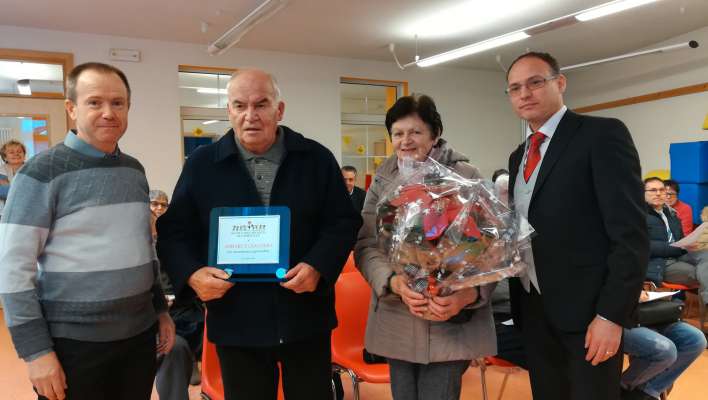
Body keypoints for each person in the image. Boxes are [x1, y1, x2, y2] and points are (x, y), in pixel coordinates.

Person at [156, 69, 362, 400]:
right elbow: (173, 232)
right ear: (229, 111)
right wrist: (193, 275)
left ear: (279, 110)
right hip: (236, 319)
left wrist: (318, 266)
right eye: (239, 105)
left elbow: (343, 222)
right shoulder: (202, 164)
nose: (250, 116)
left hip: (305, 316)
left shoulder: (315, 159)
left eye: (261, 104)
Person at [0, 62, 175, 400]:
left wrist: (160, 311)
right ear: (71, 108)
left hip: (138, 338)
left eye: (118, 103)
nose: (108, 112)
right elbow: (13, 270)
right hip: (73, 345)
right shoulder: (40, 174)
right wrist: (36, 352)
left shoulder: (134, 171)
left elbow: (141, 250)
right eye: (95, 102)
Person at [505, 52, 648, 400]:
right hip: (534, 308)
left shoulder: (601, 135)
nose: (525, 93)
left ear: (560, 83)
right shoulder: (518, 155)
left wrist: (611, 316)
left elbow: (629, 235)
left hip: (589, 313)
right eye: (514, 88)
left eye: (535, 82)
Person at [354, 94, 496, 400]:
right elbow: (366, 244)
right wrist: (391, 282)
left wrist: (468, 294)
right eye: (398, 133)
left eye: (415, 132)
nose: (406, 140)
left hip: (447, 315)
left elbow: (492, 249)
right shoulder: (382, 179)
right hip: (397, 311)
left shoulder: (467, 176)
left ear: (434, 135)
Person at [150, 189, 205, 400]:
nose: (159, 209)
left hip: (183, 306)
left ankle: (190, 358)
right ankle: (187, 358)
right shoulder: (139, 247)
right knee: (173, 344)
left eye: (164, 205)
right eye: (155, 204)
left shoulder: (179, 243)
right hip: (152, 313)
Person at [621, 290, 706, 400]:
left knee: (696, 340)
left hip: (647, 313)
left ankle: (646, 391)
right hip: (618, 318)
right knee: (665, 351)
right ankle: (622, 387)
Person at [644, 177, 708, 304]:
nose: (658, 193)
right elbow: (645, 246)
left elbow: (680, 239)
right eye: (653, 190)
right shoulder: (638, 215)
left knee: (706, 255)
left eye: (662, 190)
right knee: (702, 272)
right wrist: (677, 247)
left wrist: (690, 243)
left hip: (680, 254)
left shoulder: (672, 214)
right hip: (660, 263)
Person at [0, 139, 27, 216]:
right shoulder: (1, 171)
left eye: (19, 151)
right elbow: (2, 191)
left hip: (25, 210)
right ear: (5, 157)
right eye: (11, 152)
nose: (16, 154)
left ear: (24, 155)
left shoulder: (31, 168)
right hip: (4, 212)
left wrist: (8, 185)